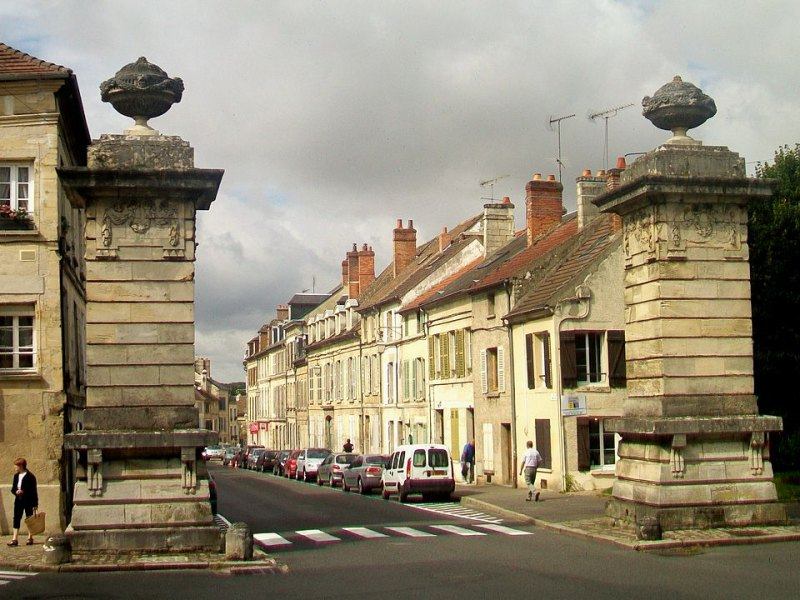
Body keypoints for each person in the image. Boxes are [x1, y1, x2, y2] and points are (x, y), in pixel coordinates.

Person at [8, 457, 38, 546]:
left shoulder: (30, 476)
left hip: (28, 500)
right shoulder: (16, 476)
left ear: (21, 466)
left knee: (29, 519)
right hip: (18, 500)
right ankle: (14, 539)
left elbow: (33, 491)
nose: (15, 467)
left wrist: (35, 504)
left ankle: (30, 537)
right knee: (16, 518)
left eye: (16, 465)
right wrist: (16, 492)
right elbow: (13, 488)